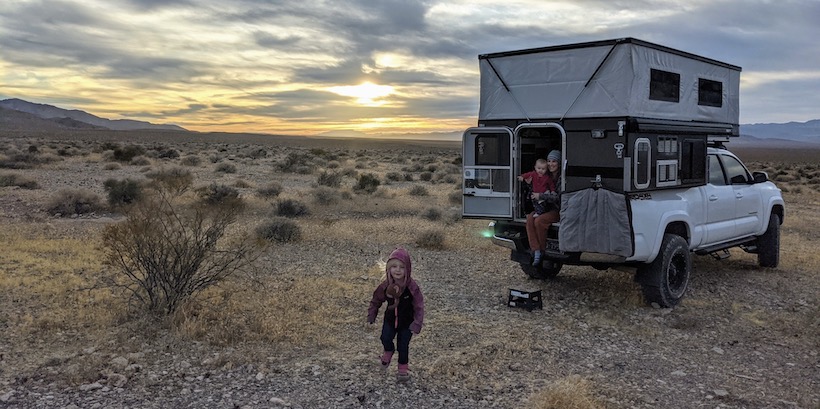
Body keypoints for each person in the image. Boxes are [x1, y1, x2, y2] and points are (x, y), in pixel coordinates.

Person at [367, 247, 425, 382]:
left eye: (401, 267)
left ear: (408, 269)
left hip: (407, 322)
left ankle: (402, 369)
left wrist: (417, 323)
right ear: (388, 268)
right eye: (394, 267)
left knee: (403, 345)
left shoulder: (412, 287)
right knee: (385, 338)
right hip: (390, 320)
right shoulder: (385, 285)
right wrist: (372, 314)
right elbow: (376, 300)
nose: (397, 270)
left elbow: (419, 305)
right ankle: (388, 351)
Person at [521, 150, 562, 266]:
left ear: (559, 163)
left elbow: (558, 198)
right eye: (549, 161)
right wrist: (529, 184)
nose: (550, 164)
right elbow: (535, 191)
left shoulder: (561, 178)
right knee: (529, 218)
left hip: (557, 209)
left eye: (554, 161)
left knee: (539, 221)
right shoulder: (545, 175)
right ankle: (536, 250)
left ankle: (542, 250)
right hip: (543, 208)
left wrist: (541, 196)